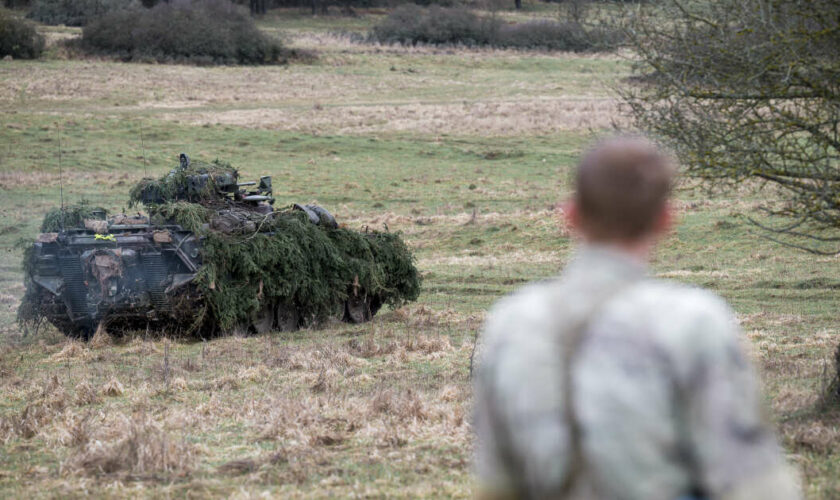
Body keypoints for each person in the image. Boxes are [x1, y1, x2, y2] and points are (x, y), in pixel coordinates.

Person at [473, 136, 800, 500]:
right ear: (666, 220)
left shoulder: (509, 322)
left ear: (570, 215)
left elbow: (496, 485)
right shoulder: (695, 322)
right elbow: (756, 486)